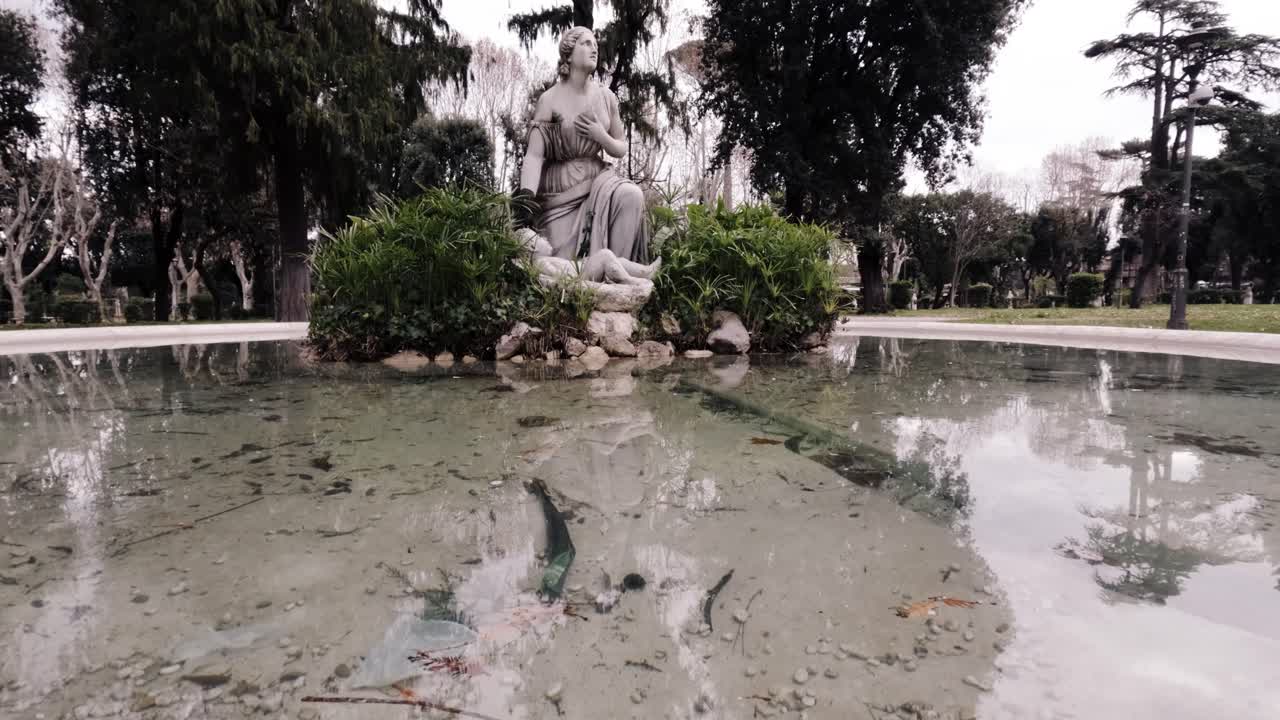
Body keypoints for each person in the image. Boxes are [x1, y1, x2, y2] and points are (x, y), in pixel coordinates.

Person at [515, 26, 649, 263]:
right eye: (586, 43)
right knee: (563, 263)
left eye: (595, 45)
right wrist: (525, 199)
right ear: (568, 53)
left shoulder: (607, 97)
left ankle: (617, 273)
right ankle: (598, 273)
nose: (593, 49)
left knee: (631, 195)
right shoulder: (549, 100)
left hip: (599, 180)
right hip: (561, 190)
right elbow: (534, 156)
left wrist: (601, 135)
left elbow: (620, 148)